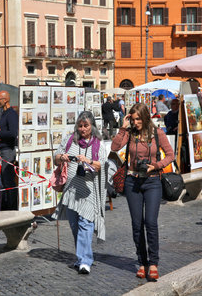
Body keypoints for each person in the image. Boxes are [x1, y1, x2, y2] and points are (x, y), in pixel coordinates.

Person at [111, 103, 174, 281]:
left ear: (145, 118)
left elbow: (170, 155)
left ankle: (153, 263)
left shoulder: (157, 133)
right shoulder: (130, 134)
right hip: (132, 182)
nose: (136, 122)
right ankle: (142, 262)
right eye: (133, 118)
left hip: (153, 181)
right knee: (137, 224)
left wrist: (156, 165)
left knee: (151, 222)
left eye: (138, 119)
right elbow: (114, 148)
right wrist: (123, 128)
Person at [52, 111, 107, 275]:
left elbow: (101, 165)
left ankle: (85, 261)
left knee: (86, 224)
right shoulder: (70, 140)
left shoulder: (98, 144)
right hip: (71, 190)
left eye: (86, 126)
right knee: (75, 225)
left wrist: (88, 161)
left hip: (88, 192)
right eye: (80, 126)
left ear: (92, 127)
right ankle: (81, 257)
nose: (83, 129)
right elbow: (55, 157)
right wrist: (62, 157)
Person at [0, 90, 19, 210]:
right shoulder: (3, 113)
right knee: (5, 179)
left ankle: (12, 207)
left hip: (8, 150)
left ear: (5, 100)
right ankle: (7, 206)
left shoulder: (11, 114)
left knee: (8, 179)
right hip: (3, 149)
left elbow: (13, 133)